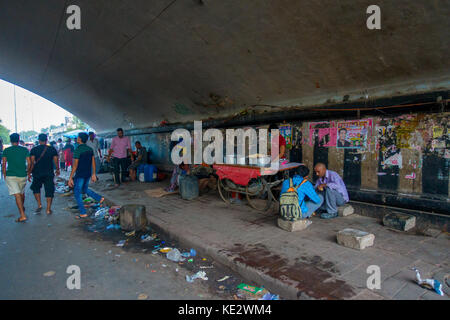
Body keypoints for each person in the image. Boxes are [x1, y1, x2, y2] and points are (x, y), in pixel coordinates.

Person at [68, 132, 103, 219]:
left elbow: (75, 166)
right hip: (88, 173)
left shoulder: (78, 150)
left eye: (78, 137)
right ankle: (99, 198)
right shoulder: (90, 149)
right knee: (84, 189)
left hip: (80, 174)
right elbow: (93, 162)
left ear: (80, 139)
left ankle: (83, 212)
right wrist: (93, 174)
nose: (77, 138)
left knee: (77, 193)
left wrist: (70, 178)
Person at [1, 133, 32, 223]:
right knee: (21, 193)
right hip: (22, 175)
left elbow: (4, 164)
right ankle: (21, 207)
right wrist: (28, 172)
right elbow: (29, 163)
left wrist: (4, 174)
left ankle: (22, 215)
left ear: (10, 140)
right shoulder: (24, 149)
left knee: (17, 194)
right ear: (19, 140)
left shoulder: (6, 150)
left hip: (11, 175)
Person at [29, 134, 59, 215]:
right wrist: (58, 169)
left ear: (39, 140)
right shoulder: (52, 149)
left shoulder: (34, 149)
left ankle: (39, 205)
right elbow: (56, 160)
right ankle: (48, 209)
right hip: (49, 173)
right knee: (49, 190)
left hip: (37, 172)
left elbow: (32, 163)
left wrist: (29, 173)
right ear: (46, 140)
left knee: (36, 188)